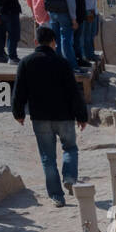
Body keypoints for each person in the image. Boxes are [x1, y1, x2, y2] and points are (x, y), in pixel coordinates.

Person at [12, 25, 88, 208]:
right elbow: (74, 92)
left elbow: (19, 91)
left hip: (40, 118)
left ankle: (57, 197)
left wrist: (19, 113)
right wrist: (81, 116)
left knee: (48, 157)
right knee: (70, 148)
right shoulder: (63, 63)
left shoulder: (26, 63)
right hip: (64, 117)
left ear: (36, 42)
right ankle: (69, 177)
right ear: (54, 42)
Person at [31, 0, 81, 72]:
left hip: (52, 9)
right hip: (64, 11)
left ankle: (57, 64)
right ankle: (72, 67)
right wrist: (74, 19)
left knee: (56, 40)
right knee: (66, 40)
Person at [78, 0, 105, 66]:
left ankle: (91, 54)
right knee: (86, 36)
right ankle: (86, 56)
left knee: (92, 34)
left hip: (93, 12)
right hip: (86, 12)